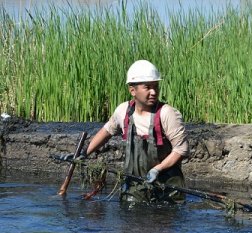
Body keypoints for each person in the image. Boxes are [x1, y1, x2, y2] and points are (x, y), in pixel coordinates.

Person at [64, 60, 189, 205]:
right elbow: (106, 131)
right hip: (135, 187)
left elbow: (181, 149)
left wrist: (157, 169)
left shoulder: (167, 113)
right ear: (132, 90)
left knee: (163, 220)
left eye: (156, 87)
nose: (153, 92)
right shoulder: (123, 111)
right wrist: (83, 154)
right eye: (147, 87)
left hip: (167, 188)